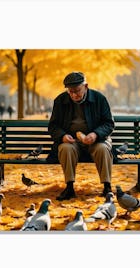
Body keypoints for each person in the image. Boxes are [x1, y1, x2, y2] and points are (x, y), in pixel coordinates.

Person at [47, 72, 114, 201]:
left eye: (77, 91)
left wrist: (96, 134)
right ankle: (69, 187)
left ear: (86, 86)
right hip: (72, 142)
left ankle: (107, 186)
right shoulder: (60, 101)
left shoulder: (99, 99)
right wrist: (62, 136)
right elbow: (53, 126)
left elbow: (109, 123)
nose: (74, 95)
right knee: (65, 148)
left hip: (96, 140)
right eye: (70, 92)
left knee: (102, 149)